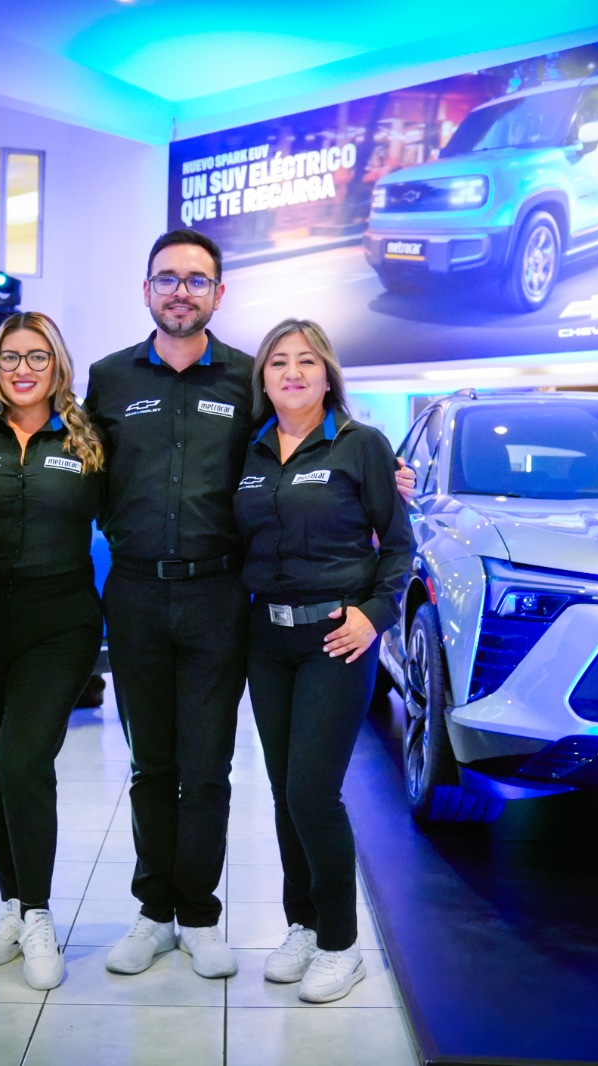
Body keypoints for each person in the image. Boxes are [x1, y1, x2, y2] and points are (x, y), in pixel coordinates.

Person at [85, 229, 414, 980]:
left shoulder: (246, 378)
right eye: (167, 278)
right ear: (146, 289)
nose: (181, 291)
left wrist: (384, 475)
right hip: (137, 591)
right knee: (150, 765)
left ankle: (201, 917)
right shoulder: (108, 379)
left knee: (208, 768)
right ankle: (154, 912)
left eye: (196, 279)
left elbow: (318, 451)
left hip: (220, 595)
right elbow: (84, 468)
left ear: (218, 293)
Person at [234, 319, 412, 1003]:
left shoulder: (361, 444)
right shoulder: (248, 450)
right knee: (285, 790)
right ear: (264, 376)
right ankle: (302, 925)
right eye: (279, 361)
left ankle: (341, 944)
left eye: (307, 361)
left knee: (313, 791)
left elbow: (398, 544)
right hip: (266, 638)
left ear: (328, 373)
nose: (293, 373)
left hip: (337, 637)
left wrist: (375, 614)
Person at [0, 312, 104, 990]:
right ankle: (12, 906)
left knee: (21, 763)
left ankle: (39, 913)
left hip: (60, 624)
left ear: (58, 365)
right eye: (10, 357)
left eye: (37, 356)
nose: (23, 369)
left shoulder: (89, 438)